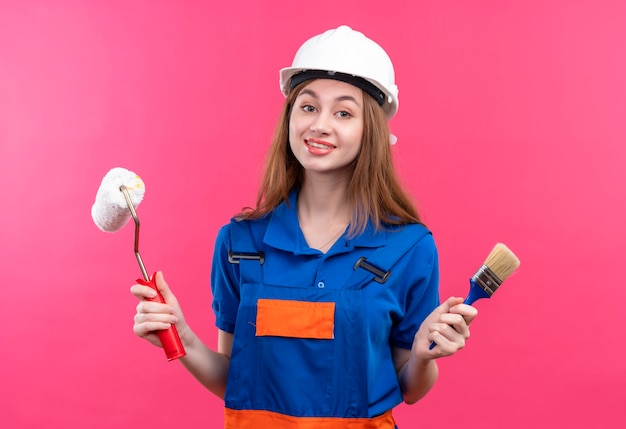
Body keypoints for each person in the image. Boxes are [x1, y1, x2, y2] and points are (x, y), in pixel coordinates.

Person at [131, 25, 478, 429]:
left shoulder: (408, 247)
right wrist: (184, 338)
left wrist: (421, 355)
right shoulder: (239, 242)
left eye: (344, 112)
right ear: (290, 117)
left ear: (373, 132)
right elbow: (236, 380)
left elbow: (410, 389)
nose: (320, 125)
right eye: (308, 106)